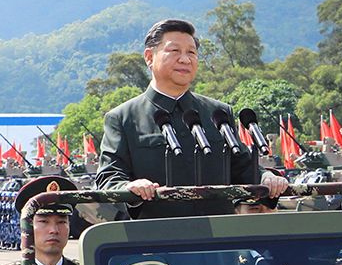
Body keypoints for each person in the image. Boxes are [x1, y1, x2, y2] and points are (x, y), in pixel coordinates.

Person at [95, 18, 288, 218]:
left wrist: (266, 176)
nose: (185, 59)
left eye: (191, 52)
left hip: (218, 238)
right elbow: (109, 177)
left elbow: (241, 166)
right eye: (174, 51)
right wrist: (130, 187)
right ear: (149, 57)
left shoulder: (217, 113)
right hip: (154, 238)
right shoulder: (123, 118)